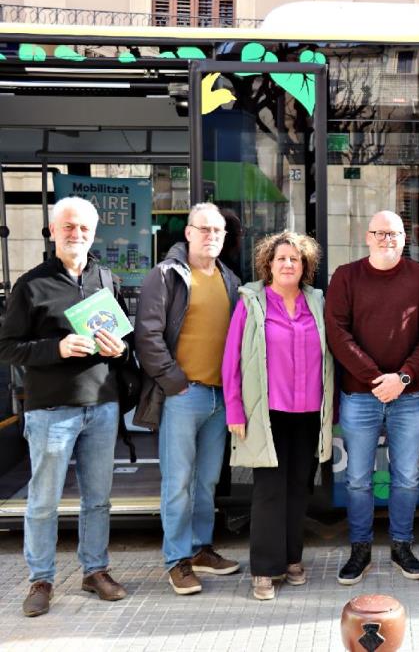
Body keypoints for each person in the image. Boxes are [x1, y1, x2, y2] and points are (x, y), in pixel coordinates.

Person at [0, 196, 130, 617]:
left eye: (84, 229)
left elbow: (123, 342)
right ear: (53, 231)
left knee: (99, 498)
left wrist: (119, 350)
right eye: (68, 227)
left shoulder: (106, 278)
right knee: (43, 499)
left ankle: (95, 571)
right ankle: (41, 579)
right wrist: (55, 347)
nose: (76, 235)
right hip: (51, 409)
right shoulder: (31, 284)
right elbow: (7, 347)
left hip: (102, 405)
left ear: (95, 233)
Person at [326, 211, 419, 585]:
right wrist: (378, 379)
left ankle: (401, 546)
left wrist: (404, 377)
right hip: (360, 396)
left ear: (405, 238)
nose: (386, 239)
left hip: (408, 396)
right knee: (358, 479)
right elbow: (337, 334)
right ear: (367, 236)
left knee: (407, 477)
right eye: (379, 233)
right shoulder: (346, 276)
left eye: (393, 234)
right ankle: (360, 549)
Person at [134, 202, 241, 595]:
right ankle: (177, 559)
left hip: (219, 398)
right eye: (204, 228)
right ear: (189, 233)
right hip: (183, 396)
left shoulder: (229, 278)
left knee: (207, 480)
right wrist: (174, 382)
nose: (211, 235)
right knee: (178, 481)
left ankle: (200, 550)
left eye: (218, 230)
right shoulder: (164, 276)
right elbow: (147, 337)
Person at [222, 231, 334, 600]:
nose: (288, 264)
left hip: (308, 413)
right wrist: (235, 409)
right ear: (268, 265)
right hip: (265, 413)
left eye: (295, 259)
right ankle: (265, 570)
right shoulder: (251, 302)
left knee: (300, 489)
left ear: (305, 267)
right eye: (281, 258)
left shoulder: (316, 302)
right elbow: (232, 360)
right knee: (269, 490)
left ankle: (292, 560)